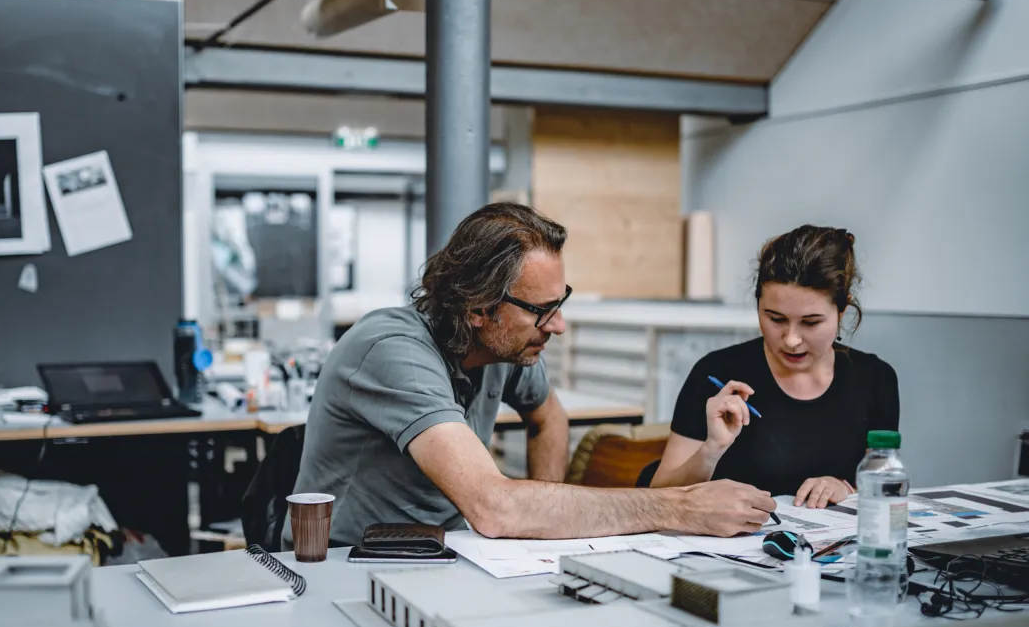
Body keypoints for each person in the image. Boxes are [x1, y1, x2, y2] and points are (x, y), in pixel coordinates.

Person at [284, 202, 775, 547]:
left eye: (560, 304)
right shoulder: (392, 351)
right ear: (478, 309)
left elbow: (549, 419)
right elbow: (495, 508)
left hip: (449, 551)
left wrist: (539, 538)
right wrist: (679, 508)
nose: (557, 325)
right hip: (347, 563)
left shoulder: (509, 348)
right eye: (542, 310)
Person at [651, 225, 899, 509]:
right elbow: (659, 496)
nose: (791, 340)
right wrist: (711, 448)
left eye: (811, 322)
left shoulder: (875, 379)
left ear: (842, 310)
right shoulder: (717, 373)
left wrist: (847, 489)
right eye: (776, 319)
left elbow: (885, 490)